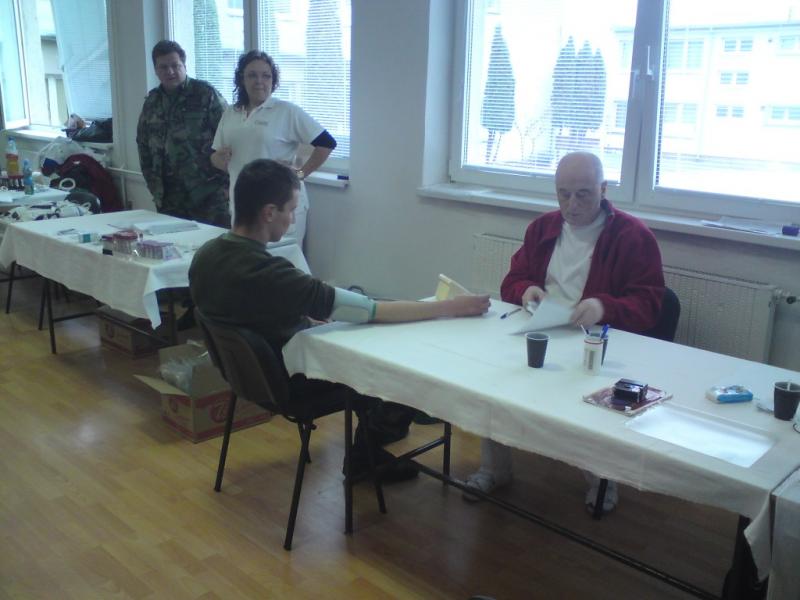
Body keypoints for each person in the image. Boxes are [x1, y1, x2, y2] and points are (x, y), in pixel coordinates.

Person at [189, 159, 490, 481]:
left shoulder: (206, 256)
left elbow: (250, 310)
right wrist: (449, 307)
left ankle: (380, 433)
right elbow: (369, 310)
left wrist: (305, 320)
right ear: (269, 212)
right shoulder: (271, 274)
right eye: (291, 210)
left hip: (247, 377)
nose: (293, 219)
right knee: (399, 368)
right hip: (294, 381)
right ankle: (366, 457)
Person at [463, 152, 665, 513]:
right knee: (494, 383)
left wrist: (603, 307)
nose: (572, 205)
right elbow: (513, 280)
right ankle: (494, 469)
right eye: (563, 194)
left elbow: (649, 304)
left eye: (583, 194)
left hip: (597, 340)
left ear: (603, 190)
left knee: (588, 403)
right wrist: (527, 290)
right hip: (544, 329)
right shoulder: (542, 228)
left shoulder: (633, 236)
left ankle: (601, 480)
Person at [210, 50, 336, 248]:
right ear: (242, 79)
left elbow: (327, 143)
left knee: (284, 261)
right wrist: (218, 159)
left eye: (266, 76)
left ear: (273, 81)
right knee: (246, 260)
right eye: (252, 75)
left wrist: (300, 173)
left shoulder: (286, 111)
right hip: (243, 205)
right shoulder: (230, 114)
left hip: (281, 206)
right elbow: (215, 157)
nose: (259, 81)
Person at [136, 40, 229, 227]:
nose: (170, 72)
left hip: (208, 193)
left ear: (184, 65)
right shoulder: (152, 102)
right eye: (163, 67)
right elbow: (143, 144)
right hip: (169, 197)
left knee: (214, 243)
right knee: (174, 243)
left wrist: (227, 183)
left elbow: (228, 137)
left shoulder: (205, 94)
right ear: (155, 70)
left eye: (175, 65)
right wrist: (153, 184)